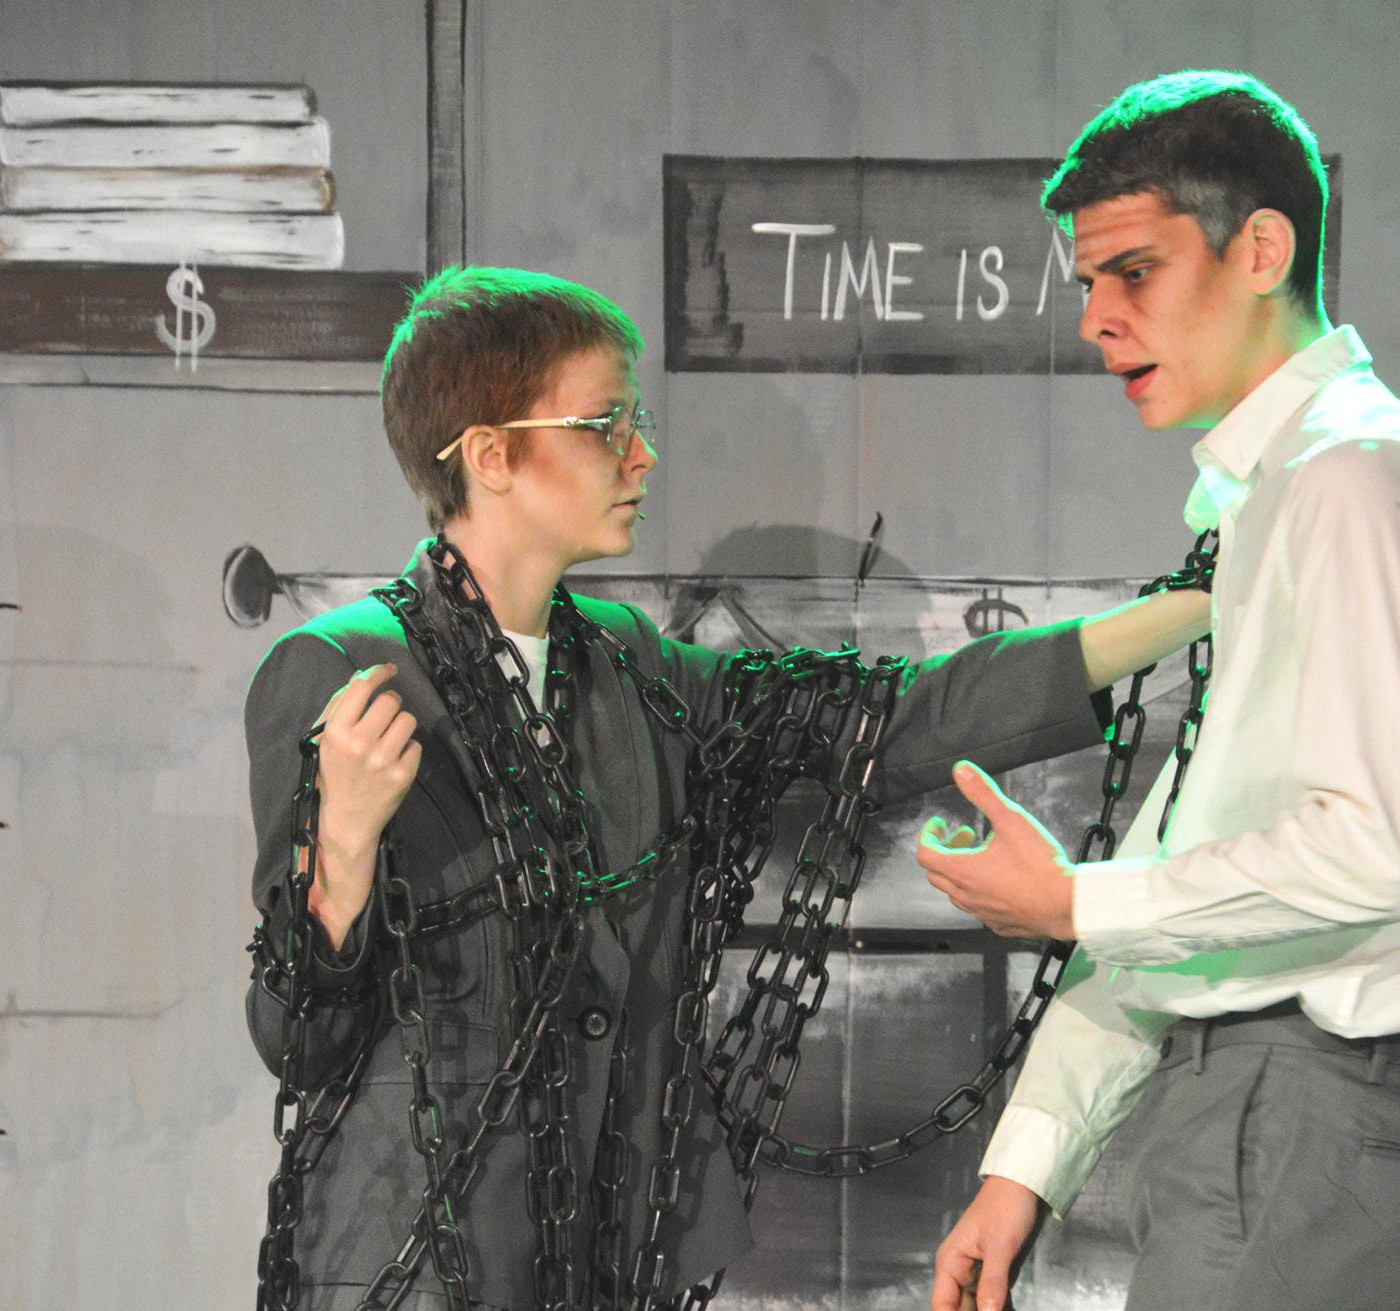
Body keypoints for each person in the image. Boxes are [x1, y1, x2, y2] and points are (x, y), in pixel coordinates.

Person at [241, 266, 1213, 1310]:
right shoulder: (339, 668)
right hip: (416, 1260)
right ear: (490, 454)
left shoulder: (628, 663)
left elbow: (885, 719)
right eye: (605, 424)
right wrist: (342, 853)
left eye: (639, 422)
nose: (642, 454)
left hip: (613, 1256)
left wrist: (1190, 607)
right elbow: (298, 1043)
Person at [919, 71, 1400, 1311]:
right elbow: (1207, 868)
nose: (1096, 319)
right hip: (1279, 1110)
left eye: (1132, 272)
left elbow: (1366, 853)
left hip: (1311, 1103)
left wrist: (1073, 899)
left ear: (1261, 251)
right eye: (1086, 283)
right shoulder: (1292, 495)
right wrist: (1025, 1166)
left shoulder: (1358, 479)